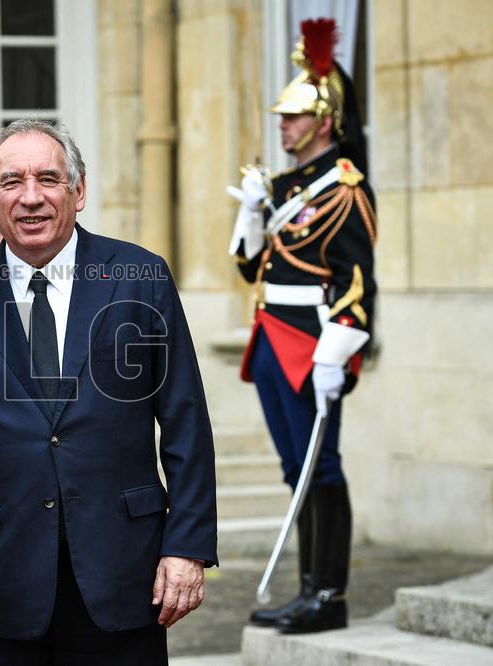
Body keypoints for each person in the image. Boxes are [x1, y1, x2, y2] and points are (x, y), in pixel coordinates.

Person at [0, 119, 218, 665]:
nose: (30, 197)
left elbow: (184, 420)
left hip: (125, 571)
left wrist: (187, 546)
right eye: (11, 182)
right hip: (5, 577)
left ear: (78, 192)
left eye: (49, 179)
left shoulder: (139, 276)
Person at [228, 18, 377, 634]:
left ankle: (328, 595)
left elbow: (356, 280)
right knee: (297, 468)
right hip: (271, 335)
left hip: (312, 342)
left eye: (293, 117)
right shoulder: (286, 184)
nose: (282, 125)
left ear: (324, 122)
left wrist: (334, 353)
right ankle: (307, 588)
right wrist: (250, 212)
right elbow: (247, 267)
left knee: (322, 466)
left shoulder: (345, 187)